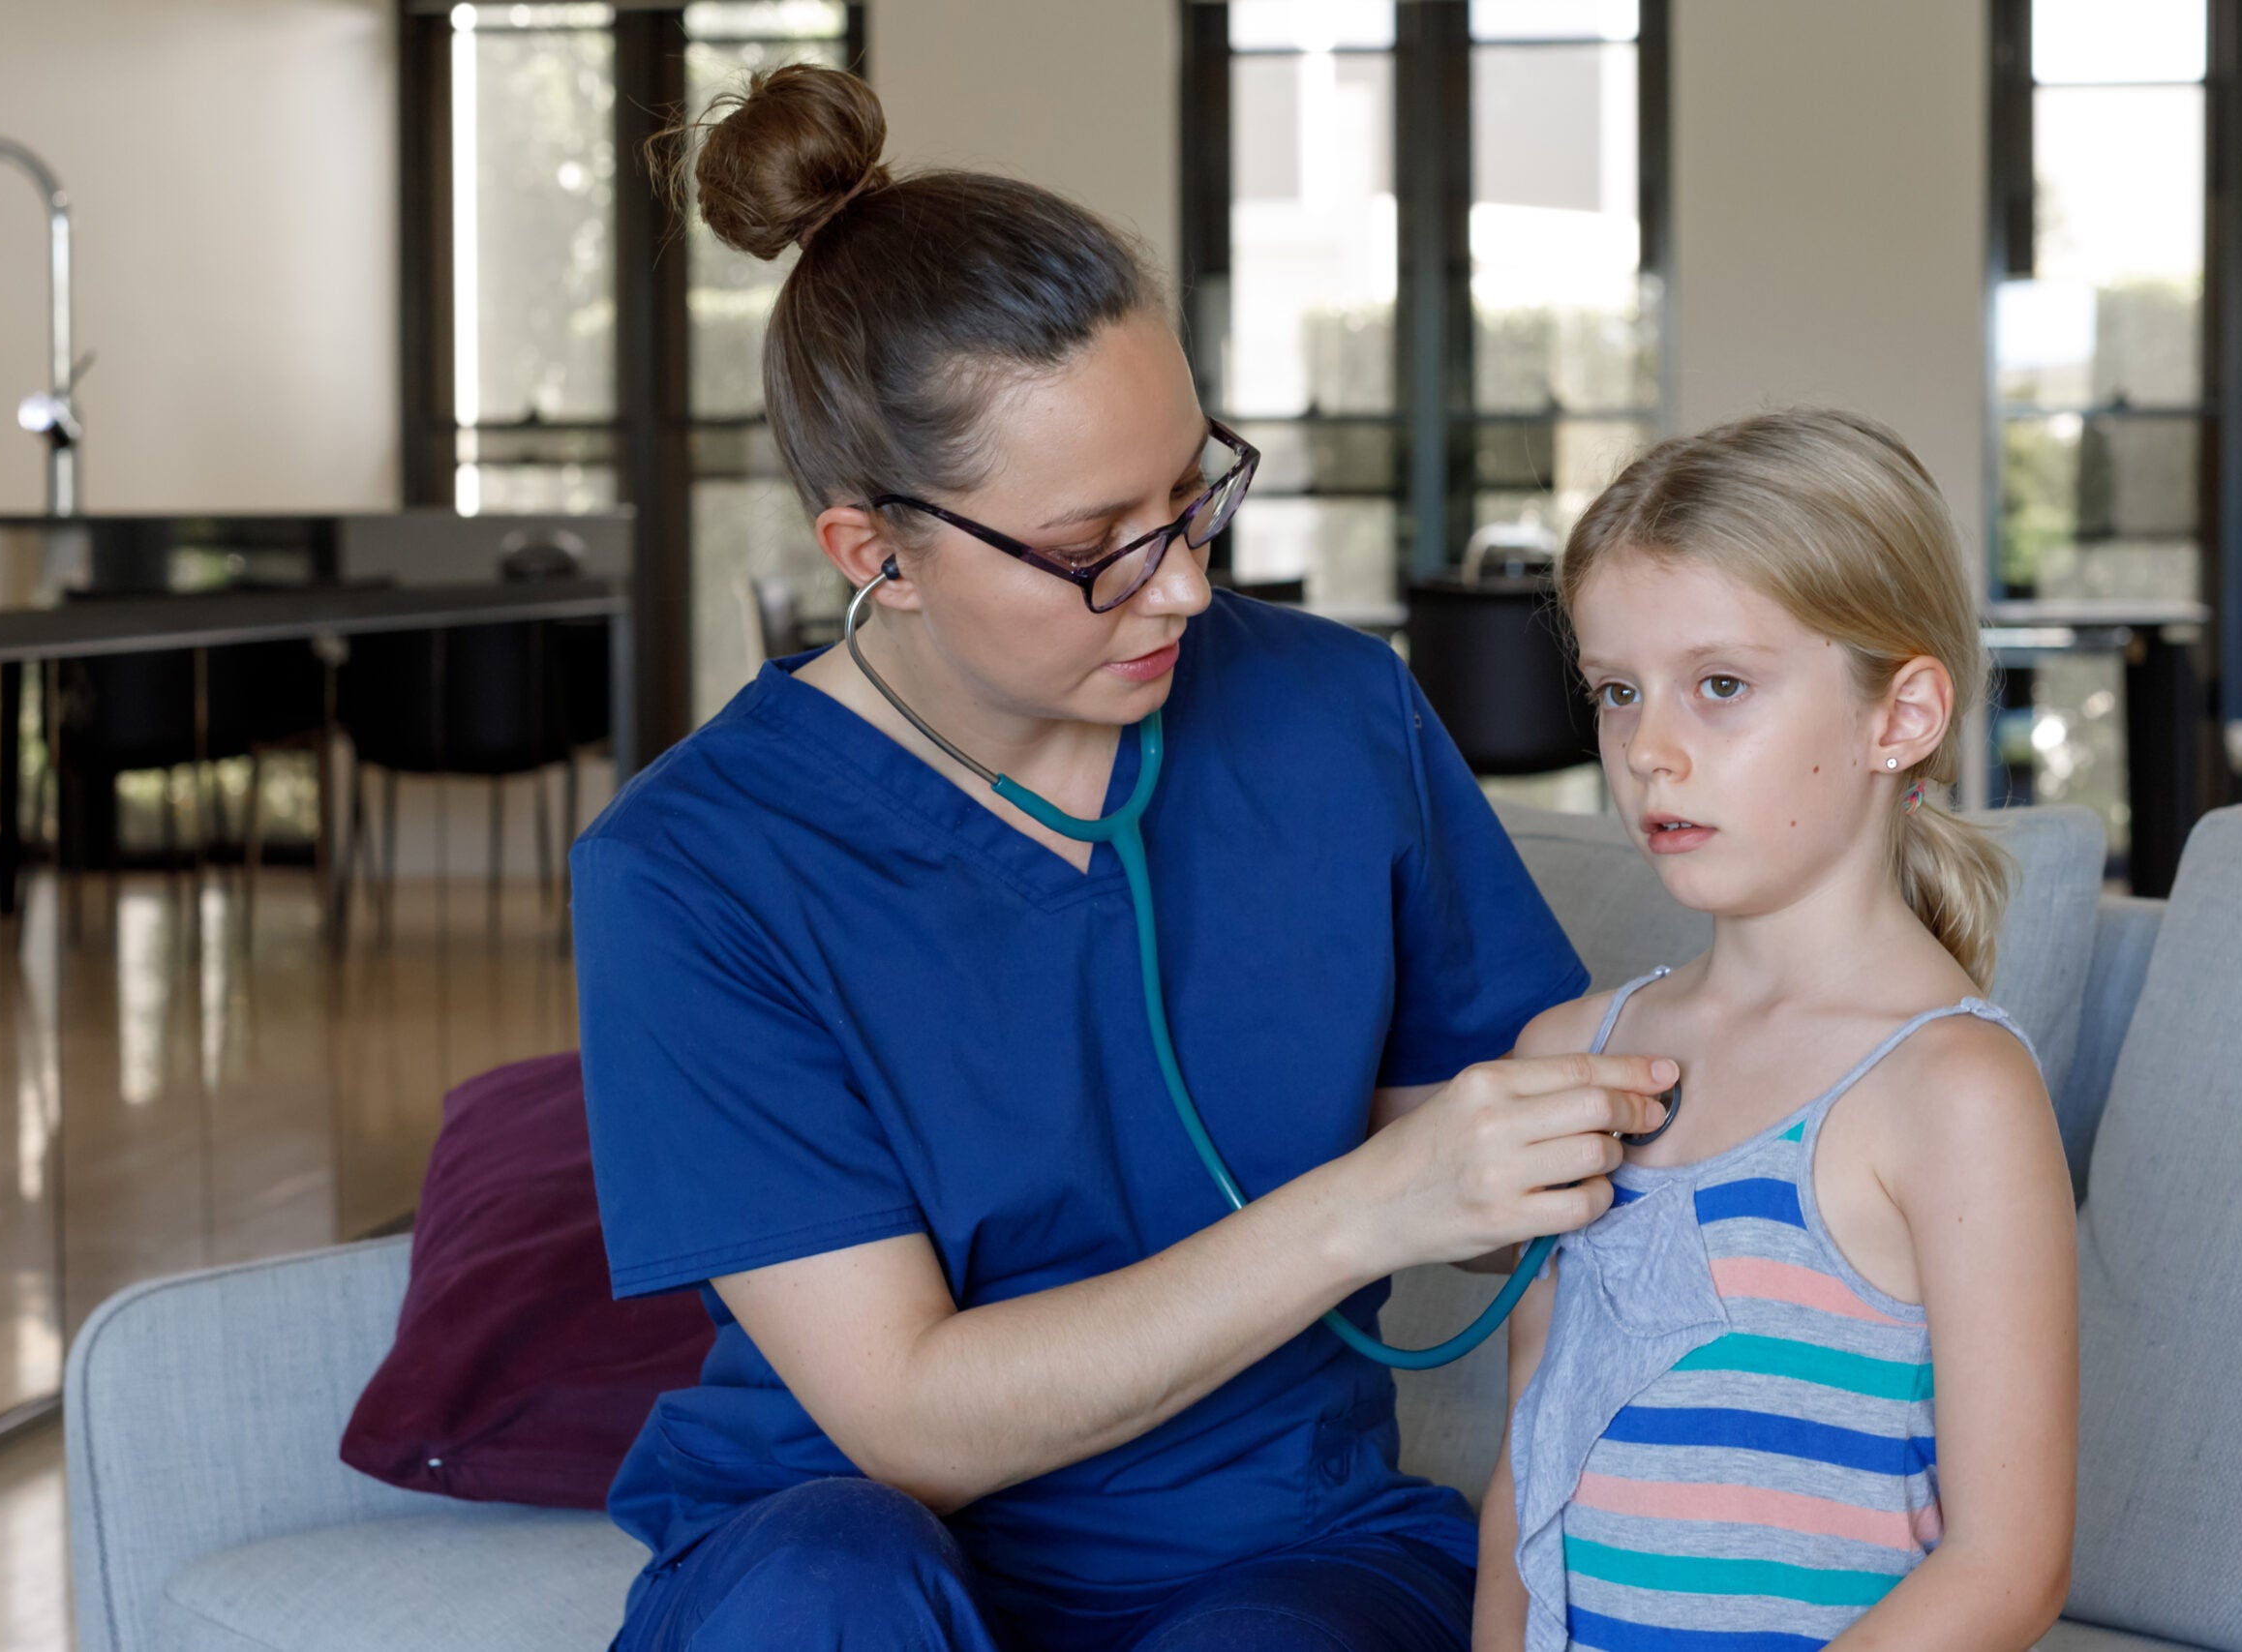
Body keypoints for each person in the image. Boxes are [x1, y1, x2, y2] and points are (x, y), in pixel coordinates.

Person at [569, 64, 1676, 1652]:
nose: (1183, 588)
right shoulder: (692, 871)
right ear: (877, 552)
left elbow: (1496, 1161)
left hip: (1283, 1546)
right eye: (1095, 547)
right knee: (826, 1589)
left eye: (1192, 491)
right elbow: (908, 1415)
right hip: (845, 1540)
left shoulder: (1333, 715)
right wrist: (1364, 1210)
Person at [1472, 410, 2080, 1652]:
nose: (1648, 750)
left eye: (1721, 686)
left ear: (1899, 718)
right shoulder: (1567, 1060)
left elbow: (2007, 1567)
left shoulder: (1953, 1090)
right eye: (1618, 692)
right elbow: (1524, 1480)